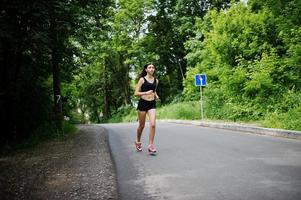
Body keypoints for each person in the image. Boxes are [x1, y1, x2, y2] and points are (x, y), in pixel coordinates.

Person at [134, 63, 159, 155]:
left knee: (153, 124)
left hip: (152, 104)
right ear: (146, 69)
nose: (152, 69)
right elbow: (136, 93)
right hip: (143, 104)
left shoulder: (156, 80)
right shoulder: (142, 79)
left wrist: (156, 95)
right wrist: (145, 93)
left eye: (153, 67)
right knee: (142, 125)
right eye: (150, 67)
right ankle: (138, 141)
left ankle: (150, 145)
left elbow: (154, 90)